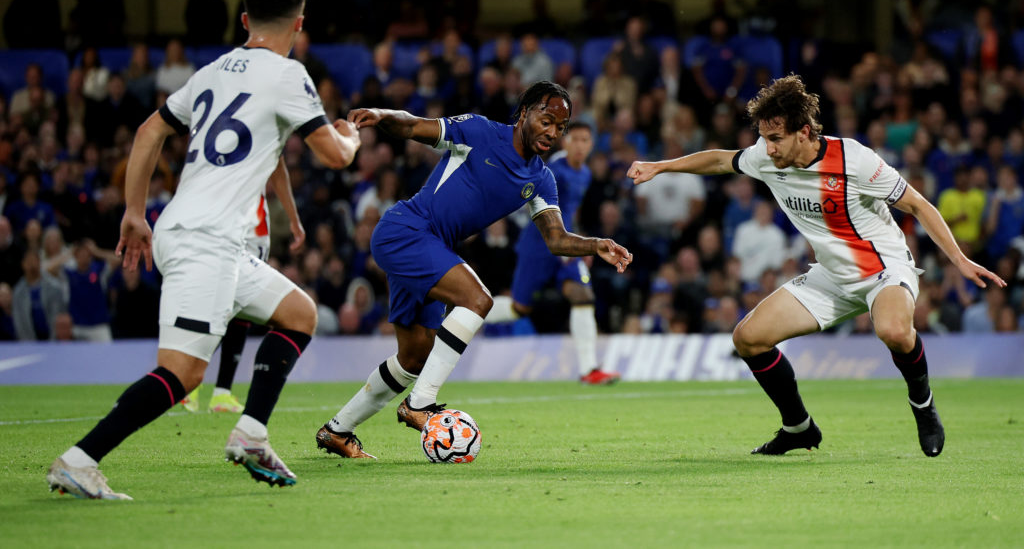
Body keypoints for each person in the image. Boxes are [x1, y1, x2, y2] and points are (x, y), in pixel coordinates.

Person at [46, 0, 361, 500]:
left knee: (298, 314)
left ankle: (252, 434)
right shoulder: (288, 75)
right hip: (204, 240)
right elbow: (333, 155)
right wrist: (350, 135)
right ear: (299, 24)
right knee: (182, 373)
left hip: (204, 234)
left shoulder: (212, 71)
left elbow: (151, 131)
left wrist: (133, 211)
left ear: (244, 20)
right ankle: (79, 460)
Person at [627, 74, 1005, 458]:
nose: (767, 149)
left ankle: (923, 406)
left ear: (804, 132)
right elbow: (721, 160)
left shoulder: (854, 160)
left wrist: (958, 259)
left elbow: (918, 205)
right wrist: (661, 166)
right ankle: (798, 428)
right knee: (748, 338)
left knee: (893, 331)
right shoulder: (765, 156)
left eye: (776, 139)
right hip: (830, 277)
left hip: (884, 269)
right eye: (764, 138)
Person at [316, 82, 633, 459]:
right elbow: (415, 126)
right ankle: (421, 404)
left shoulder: (541, 179)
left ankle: (337, 431)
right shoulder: (481, 131)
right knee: (477, 300)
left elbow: (556, 239)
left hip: (430, 248)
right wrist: (384, 116)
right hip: (407, 230)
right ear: (524, 113)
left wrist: (595, 245)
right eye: (547, 120)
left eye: (560, 128)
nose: (552, 132)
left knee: (414, 358)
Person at [486, 122, 621, 384]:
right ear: (565, 141)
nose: (581, 145)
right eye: (576, 139)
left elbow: (570, 212)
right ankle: (463, 311)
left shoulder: (585, 174)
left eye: (586, 140)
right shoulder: (553, 171)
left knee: (583, 295)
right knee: (519, 308)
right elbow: (533, 203)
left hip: (566, 248)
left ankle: (589, 370)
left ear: (592, 145)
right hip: (538, 245)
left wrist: (580, 244)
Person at [180, 158, 305, 414]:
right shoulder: (260, 130)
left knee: (237, 309)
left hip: (242, 223)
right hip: (242, 228)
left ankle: (219, 391)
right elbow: (279, 167)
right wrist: (293, 218)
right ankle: (189, 382)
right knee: (229, 307)